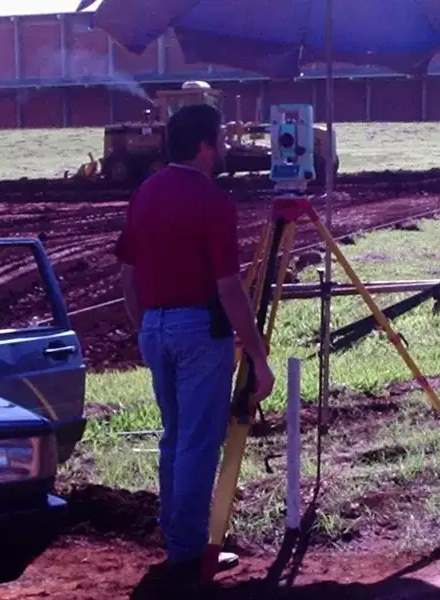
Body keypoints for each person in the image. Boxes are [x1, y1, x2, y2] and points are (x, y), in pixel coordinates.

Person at [113, 104, 275, 587]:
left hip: (155, 328)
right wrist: (260, 358)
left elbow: (128, 272)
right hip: (199, 333)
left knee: (174, 438)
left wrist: (146, 324)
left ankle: (178, 540)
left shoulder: (145, 191)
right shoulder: (212, 200)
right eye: (220, 139)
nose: (224, 147)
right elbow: (229, 288)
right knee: (198, 444)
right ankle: (188, 553)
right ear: (204, 146)